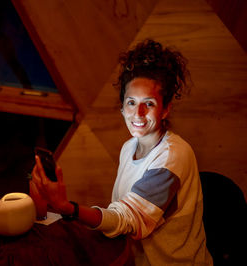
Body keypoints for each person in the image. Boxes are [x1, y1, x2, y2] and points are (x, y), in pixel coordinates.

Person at [31, 39, 213, 265]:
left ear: (166, 109)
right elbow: (121, 213)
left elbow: (127, 219)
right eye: (131, 102)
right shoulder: (129, 148)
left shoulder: (174, 156)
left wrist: (68, 208)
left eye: (149, 103)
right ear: (121, 107)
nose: (138, 113)